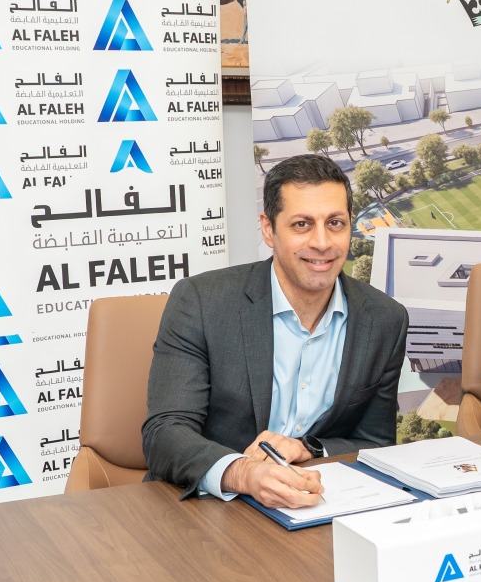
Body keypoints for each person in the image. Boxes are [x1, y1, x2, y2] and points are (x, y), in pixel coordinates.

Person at [143, 154, 409, 507]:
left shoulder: (384, 319)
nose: (323, 243)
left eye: (335, 223)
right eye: (302, 224)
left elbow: (375, 442)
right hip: (210, 506)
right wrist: (243, 473)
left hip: (316, 505)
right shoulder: (201, 302)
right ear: (268, 229)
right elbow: (165, 432)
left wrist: (307, 448)